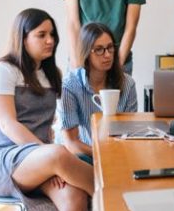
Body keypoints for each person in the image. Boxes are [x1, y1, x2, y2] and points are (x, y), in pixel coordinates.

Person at [0, 9, 92, 211]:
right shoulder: (3, 71)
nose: (51, 40)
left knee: (75, 199)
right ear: (23, 37)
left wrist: (49, 160)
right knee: (59, 155)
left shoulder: (51, 75)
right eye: (41, 35)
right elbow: (9, 125)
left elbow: (47, 127)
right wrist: (49, 157)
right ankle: (116, 197)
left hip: (37, 161)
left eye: (52, 34)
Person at [57, 22, 137, 163]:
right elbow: (71, 143)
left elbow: (130, 133)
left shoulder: (128, 84)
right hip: (81, 156)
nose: (107, 55)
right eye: (99, 50)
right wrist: (104, 153)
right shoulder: (69, 85)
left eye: (110, 48)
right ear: (86, 53)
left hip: (118, 154)